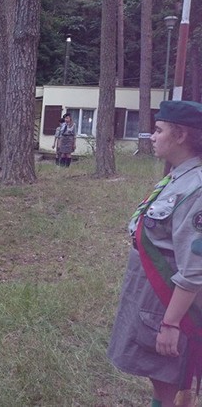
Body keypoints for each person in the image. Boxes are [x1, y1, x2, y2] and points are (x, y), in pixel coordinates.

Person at [108, 100, 202, 407]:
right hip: (153, 297)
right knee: (163, 381)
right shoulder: (178, 177)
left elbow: (193, 268)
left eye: (159, 130)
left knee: (169, 380)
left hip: (171, 306)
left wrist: (171, 324)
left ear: (181, 135)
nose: (152, 135)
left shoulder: (196, 188)